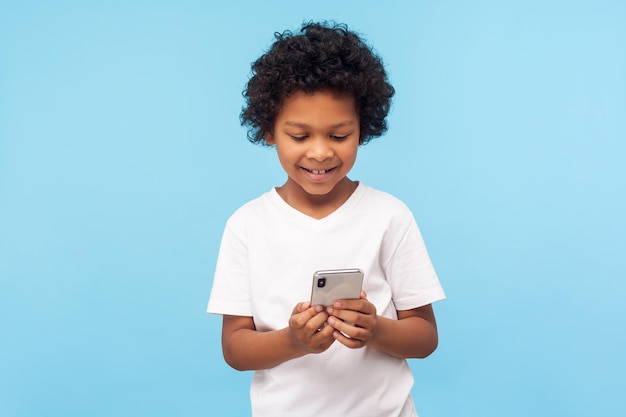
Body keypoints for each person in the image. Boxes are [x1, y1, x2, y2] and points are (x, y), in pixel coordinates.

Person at [207, 21, 445, 417]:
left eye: (338, 136)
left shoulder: (389, 215)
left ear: (362, 129)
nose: (320, 153)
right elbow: (235, 348)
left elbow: (425, 337)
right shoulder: (247, 225)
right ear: (269, 130)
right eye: (300, 136)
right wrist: (293, 341)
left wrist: (377, 329)